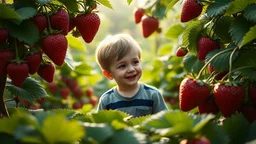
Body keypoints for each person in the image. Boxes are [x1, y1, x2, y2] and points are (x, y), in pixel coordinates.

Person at [95, 33, 168, 117]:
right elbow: (102, 126)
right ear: (108, 74)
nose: (131, 69)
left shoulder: (153, 95)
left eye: (135, 62)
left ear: (140, 61)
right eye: (122, 66)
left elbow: (165, 121)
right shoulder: (106, 100)